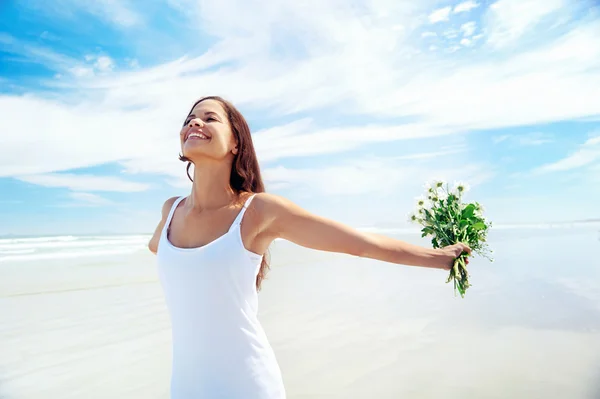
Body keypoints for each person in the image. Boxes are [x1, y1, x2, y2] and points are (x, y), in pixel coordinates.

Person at [147, 96, 471, 399]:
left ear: (235, 142)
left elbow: (357, 244)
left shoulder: (258, 212)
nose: (194, 123)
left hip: (246, 384)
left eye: (209, 118)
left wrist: (438, 258)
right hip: (186, 387)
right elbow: (160, 248)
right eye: (190, 119)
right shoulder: (171, 210)